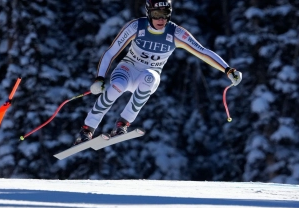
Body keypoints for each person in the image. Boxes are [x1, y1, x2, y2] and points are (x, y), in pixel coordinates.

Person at [74, 0, 242, 145]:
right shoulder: (136, 26)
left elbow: (203, 52)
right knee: (117, 86)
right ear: (149, 13)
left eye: (165, 14)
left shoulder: (176, 33)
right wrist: (100, 78)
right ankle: (87, 129)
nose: (161, 19)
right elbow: (111, 52)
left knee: (149, 79)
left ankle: (122, 124)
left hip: (148, 74)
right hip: (127, 69)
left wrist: (228, 70)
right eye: (156, 14)